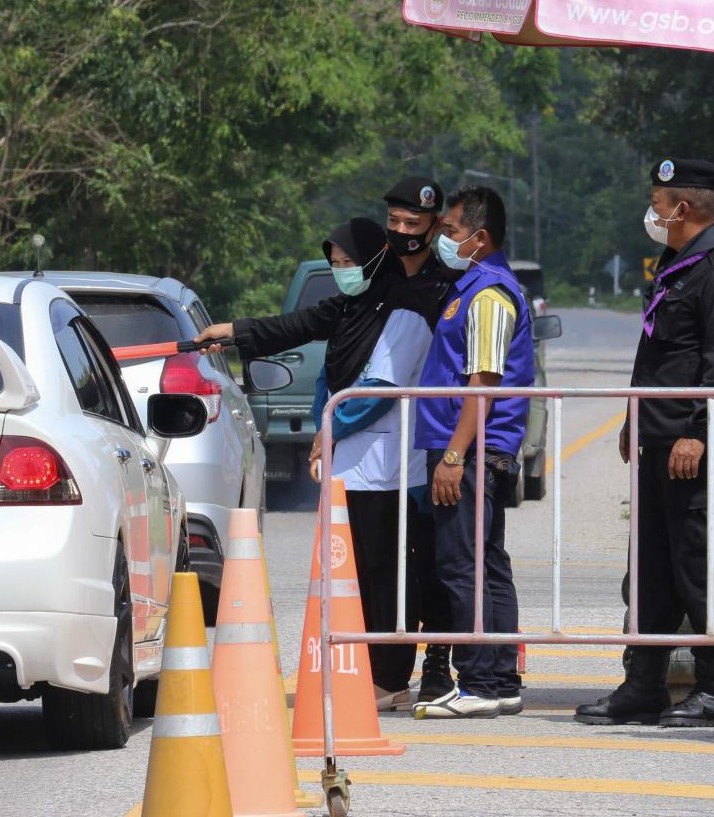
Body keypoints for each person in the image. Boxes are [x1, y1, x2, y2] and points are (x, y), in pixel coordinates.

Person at [196, 217, 436, 711]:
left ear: (375, 259)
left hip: (388, 467)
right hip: (355, 464)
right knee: (361, 575)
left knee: (386, 575)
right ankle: (371, 671)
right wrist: (235, 332)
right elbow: (298, 326)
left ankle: (392, 676)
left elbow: (377, 389)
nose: (342, 271)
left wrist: (328, 430)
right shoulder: (354, 306)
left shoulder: (406, 310)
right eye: (335, 264)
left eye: (349, 262)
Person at [575, 158, 714, 729]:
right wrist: (636, 417)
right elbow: (657, 352)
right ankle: (643, 685)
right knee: (651, 569)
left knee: (698, 568)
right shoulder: (679, 263)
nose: (652, 212)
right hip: (659, 438)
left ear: (682, 207)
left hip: (696, 447)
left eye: (658, 201)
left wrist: (697, 434)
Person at [412, 185, 534, 719]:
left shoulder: (488, 293)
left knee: (463, 565)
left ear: (479, 239)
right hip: (476, 449)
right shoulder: (476, 285)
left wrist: (454, 456)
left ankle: (481, 681)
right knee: (488, 564)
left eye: (452, 232)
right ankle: (501, 679)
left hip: (473, 451)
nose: (444, 239)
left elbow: (481, 383)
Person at [382, 176, 460, 704]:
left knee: (435, 558)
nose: (405, 232)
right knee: (392, 560)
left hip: (430, 439)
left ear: (434, 226)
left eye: (415, 224)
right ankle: (387, 666)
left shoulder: (452, 282)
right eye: (397, 222)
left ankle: (437, 661)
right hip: (379, 442)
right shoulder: (375, 275)